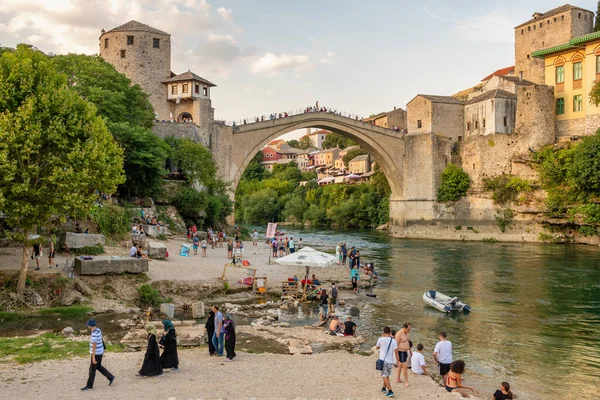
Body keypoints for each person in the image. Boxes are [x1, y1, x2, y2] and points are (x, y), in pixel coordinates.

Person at [81, 318, 114, 391]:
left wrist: (93, 358)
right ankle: (110, 377)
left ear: (90, 326)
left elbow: (94, 346)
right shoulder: (98, 330)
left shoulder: (94, 335)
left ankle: (89, 386)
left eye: (88, 325)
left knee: (92, 370)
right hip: (100, 352)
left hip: (96, 354)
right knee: (98, 366)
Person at [376, 326, 398, 398]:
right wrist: (397, 361)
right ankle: (383, 388)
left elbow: (377, 347)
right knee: (386, 375)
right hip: (390, 361)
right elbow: (396, 352)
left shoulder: (380, 339)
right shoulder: (393, 341)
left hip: (383, 360)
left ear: (383, 332)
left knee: (384, 375)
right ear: (390, 332)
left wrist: (381, 337)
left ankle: (390, 391)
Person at [395, 322, 411, 387]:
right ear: (404, 328)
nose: (409, 331)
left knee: (401, 366)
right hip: (400, 352)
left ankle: (398, 379)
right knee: (405, 366)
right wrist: (397, 357)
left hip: (405, 351)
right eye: (408, 329)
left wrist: (410, 350)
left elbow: (407, 341)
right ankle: (406, 381)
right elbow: (395, 345)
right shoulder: (399, 334)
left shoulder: (406, 333)